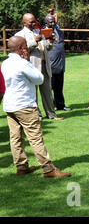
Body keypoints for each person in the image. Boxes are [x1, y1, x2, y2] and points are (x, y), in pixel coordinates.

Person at [2, 36, 71, 178]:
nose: (27, 47)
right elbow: (39, 79)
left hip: (10, 105)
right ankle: (48, 169)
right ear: (21, 48)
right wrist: (27, 62)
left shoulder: (5, 63)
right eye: (25, 45)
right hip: (25, 105)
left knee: (15, 138)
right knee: (35, 138)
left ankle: (21, 167)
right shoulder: (22, 64)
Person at [15, 13, 63, 120]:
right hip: (33, 67)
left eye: (34, 21)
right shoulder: (20, 34)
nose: (33, 23)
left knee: (47, 92)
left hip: (45, 66)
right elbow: (21, 50)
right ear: (24, 23)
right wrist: (34, 41)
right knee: (33, 92)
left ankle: (51, 114)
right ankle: (37, 115)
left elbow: (47, 48)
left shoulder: (38, 32)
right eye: (31, 22)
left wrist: (50, 42)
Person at [45, 15, 71, 111]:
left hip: (60, 64)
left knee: (59, 87)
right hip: (50, 64)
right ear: (46, 23)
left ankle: (60, 105)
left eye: (53, 21)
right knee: (49, 88)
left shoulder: (60, 32)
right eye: (50, 22)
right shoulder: (44, 33)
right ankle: (50, 107)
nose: (52, 23)